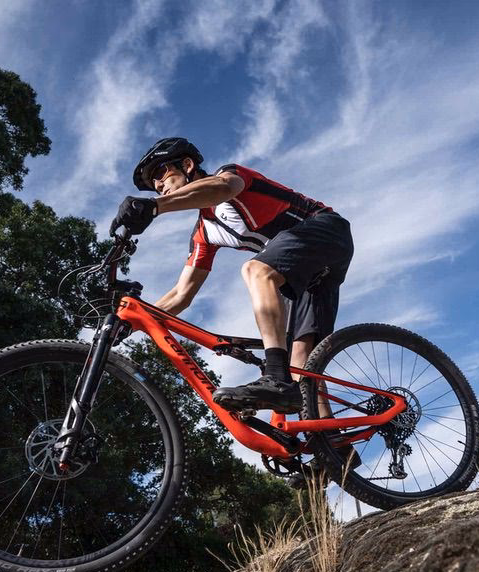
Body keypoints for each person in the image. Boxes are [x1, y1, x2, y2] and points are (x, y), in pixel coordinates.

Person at [109, 137, 354, 416]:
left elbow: (222, 188)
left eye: (160, 173)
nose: (157, 185)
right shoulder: (204, 233)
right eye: (153, 184)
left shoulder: (230, 177)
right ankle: (330, 449)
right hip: (309, 273)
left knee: (256, 270)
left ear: (187, 165)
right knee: (302, 366)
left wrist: (155, 206)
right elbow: (181, 295)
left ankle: (275, 376)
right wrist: (130, 323)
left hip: (326, 230)